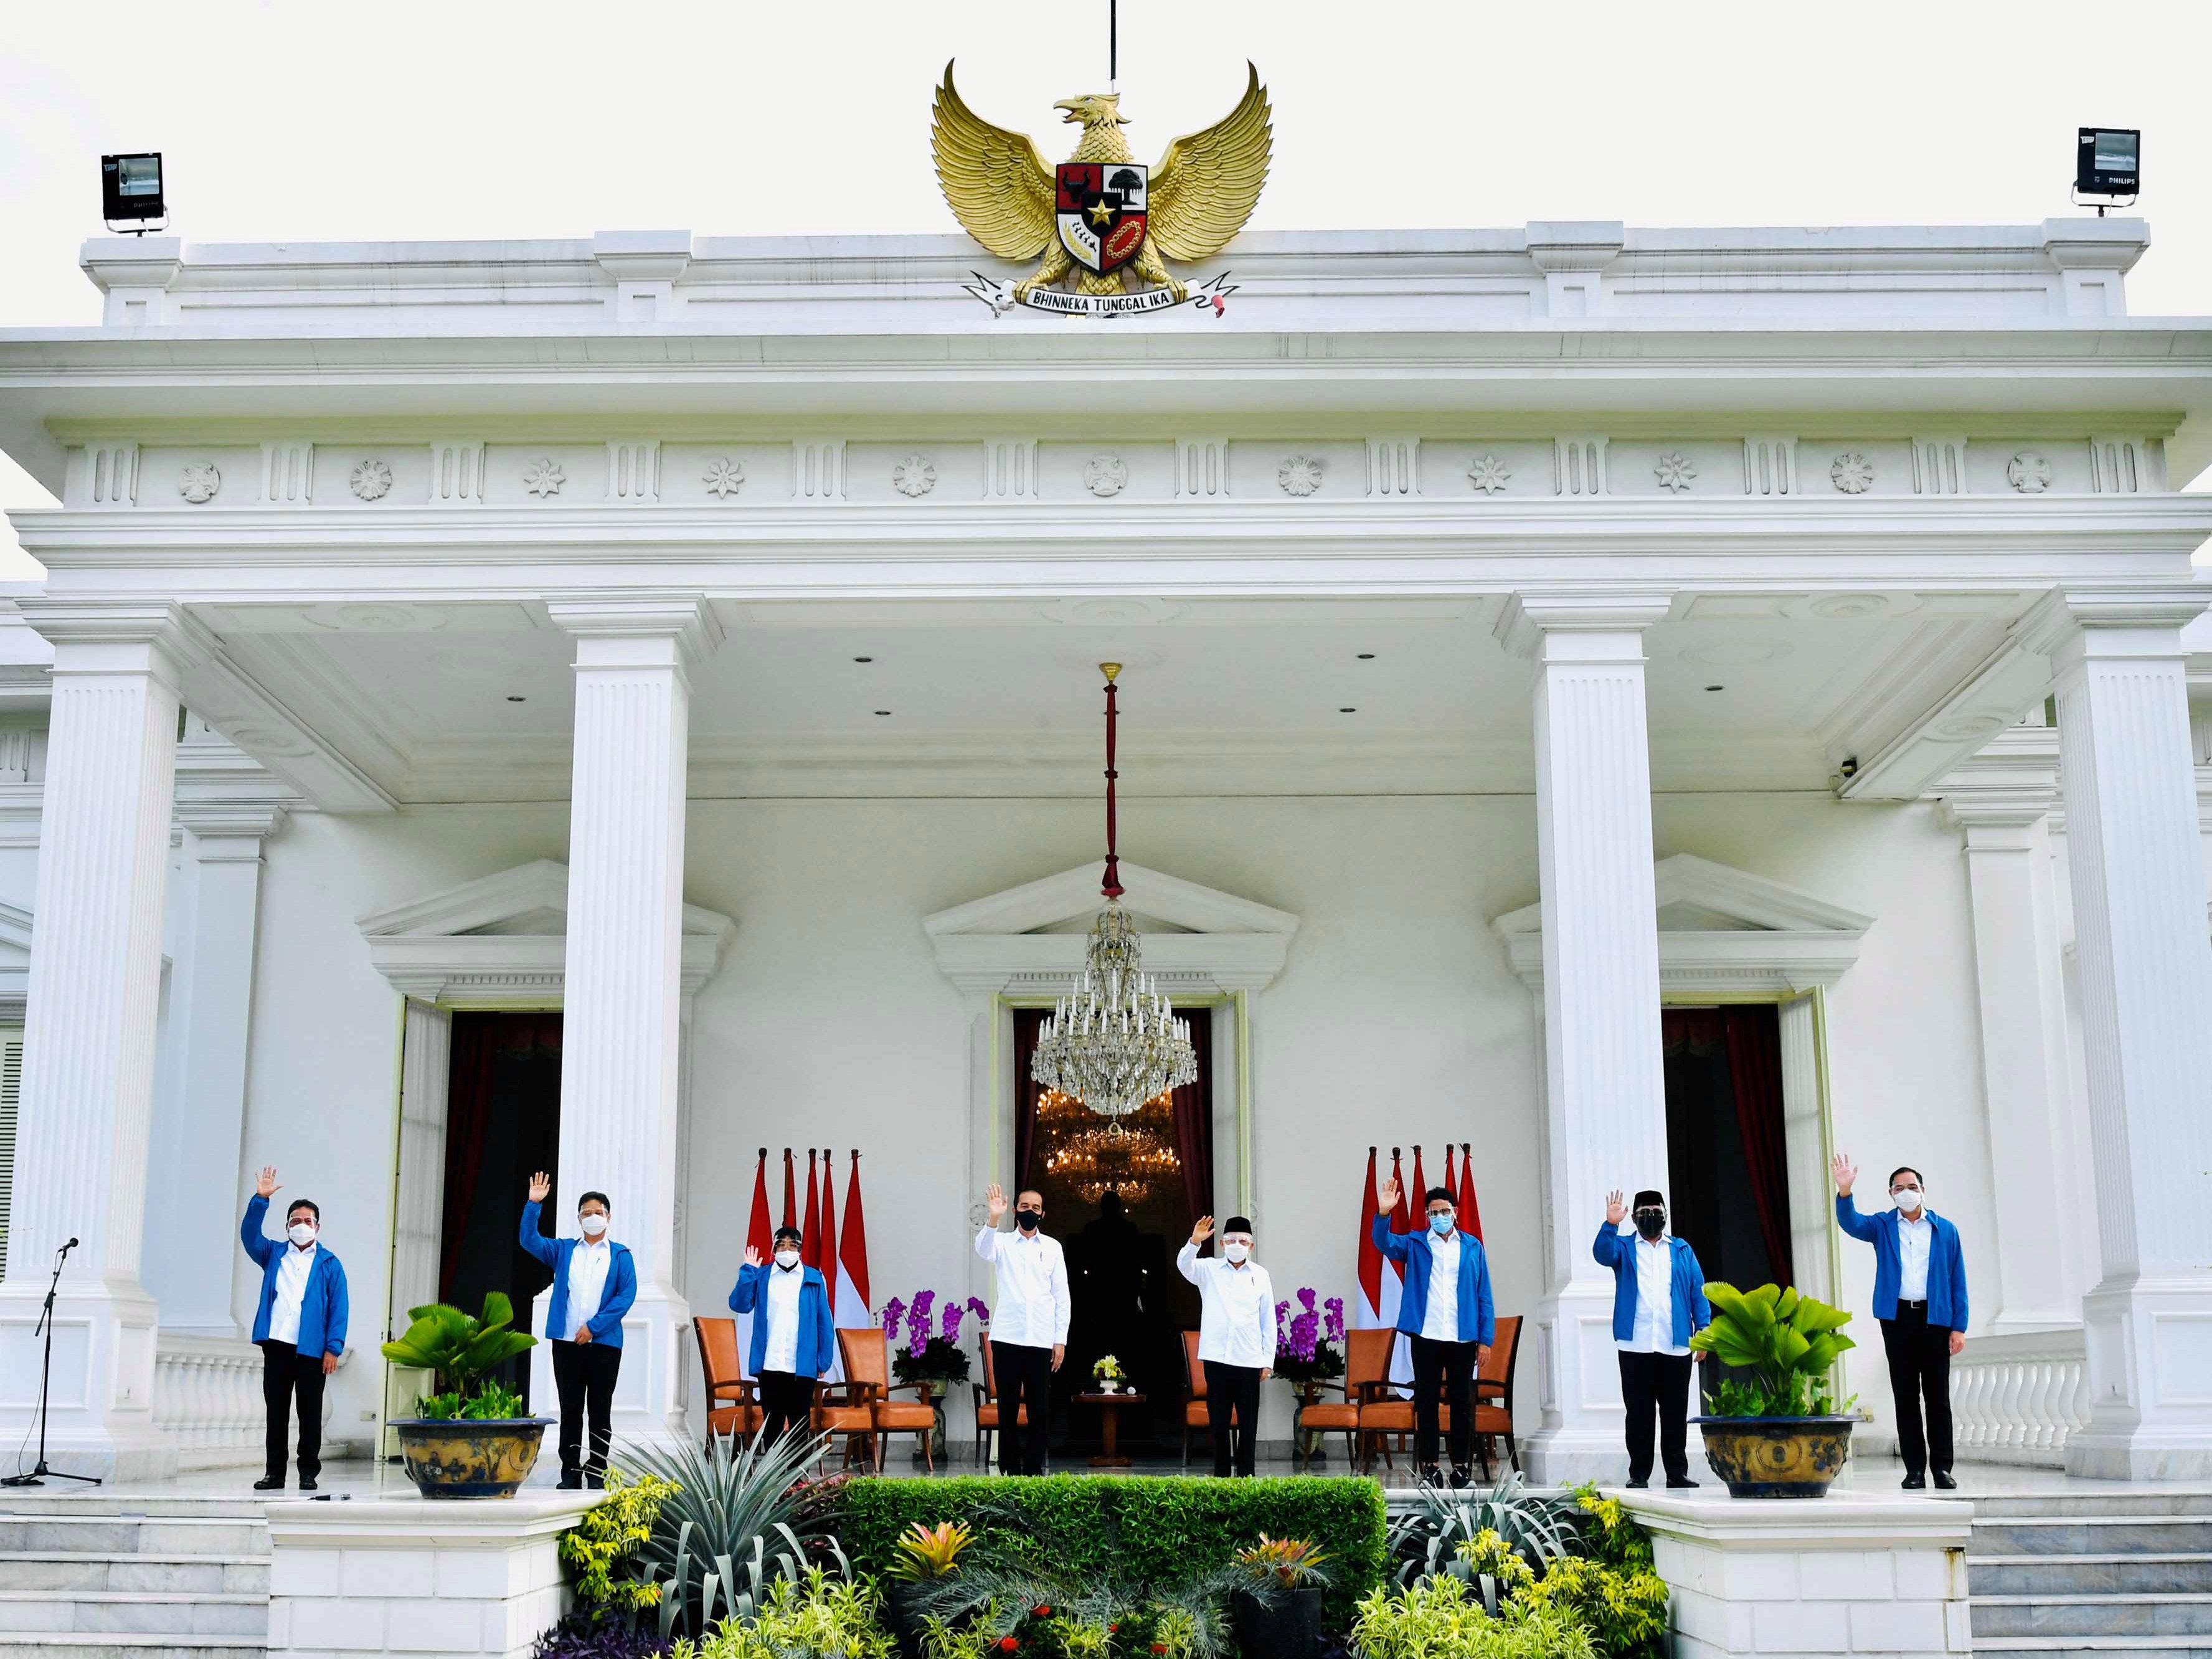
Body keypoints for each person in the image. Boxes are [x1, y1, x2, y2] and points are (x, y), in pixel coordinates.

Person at [1832, 1153, 1969, 1490]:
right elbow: (1851, 1224)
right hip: (1898, 1319)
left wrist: (1959, 1326)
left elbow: (1957, 1280)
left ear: (1923, 1190)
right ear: (1891, 1194)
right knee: (1905, 1395)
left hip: (1935, 1318)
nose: (1906, 1192)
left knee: (1937, 1397)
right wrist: (1845, 1191)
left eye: (1912, 1187)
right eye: (1899, 1188)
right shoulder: (1882, 1225)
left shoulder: (1945, 1230)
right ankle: (1915, 1470)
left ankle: (1942, 1468)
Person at [1374, 1177, 1495, 1488]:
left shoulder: (1472, 1246)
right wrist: (1384, 1214)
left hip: (1462, 1337)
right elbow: (1383, 1243)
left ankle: (1461, 1467)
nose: (1439, 1216)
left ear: (1455, 1211)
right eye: (1433, 1212)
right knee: (1426, 1402)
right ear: (1427, 1216)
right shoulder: (1415, 1243)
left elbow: (1484, 1294)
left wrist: (1486, 1339)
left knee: (1462, 1403)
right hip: (1426, 1335)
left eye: (1444, 1210)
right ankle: (1429, 1467)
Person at [519, 1172, 638, 1489]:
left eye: (598, 1212)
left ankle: (597, 1470)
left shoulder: (620, 1255)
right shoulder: (564, 1251)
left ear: (609, 1217)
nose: (593, 1218)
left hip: (604, 1345)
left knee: (600, 1411)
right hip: (567, 1343)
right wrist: (534, 1205)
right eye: (587, 1213)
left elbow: (625, 1296)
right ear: (578, 1219)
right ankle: (570, 1472)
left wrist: (593, 1328)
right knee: (571, 1410)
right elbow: (529, 1241)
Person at [240, 1166, 348, 1493]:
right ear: (287, 1225)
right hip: (277, 1345)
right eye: (296, 1221)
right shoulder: (272, 1253)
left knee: (310, 1412)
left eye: (308, 1221)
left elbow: (339, 1309)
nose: (302, 1226)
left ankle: (308, 1472)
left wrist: (333, 1347)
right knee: (276, 1412)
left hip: (312, 1349)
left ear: (318, 1226)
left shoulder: (330, 1263)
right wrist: (261, 1200)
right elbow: (249, 1236)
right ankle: (274, 1473)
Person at [1594, 1188, 1710, 1489]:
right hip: (1636, 1344)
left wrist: (1704, 1329)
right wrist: (1610, 1224)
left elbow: (1698, 1290)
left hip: (1675, 1344)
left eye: (1656, 1212)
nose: (1651, 1217)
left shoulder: (1682, 1249)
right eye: (1644, 1213)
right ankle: (1639, 1473)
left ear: (1665, 1215)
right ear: (1634, 1218)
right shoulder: (1623, 1247)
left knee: (1674, 1412)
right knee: (1639, 1413)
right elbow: (1601, 1254)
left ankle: (1677, 1473)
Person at [975, 1181, 1069, 1475]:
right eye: (1025, 1207)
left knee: (1040, 1410)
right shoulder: (1002, 1242)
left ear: (1043, 1214)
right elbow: (983, 1250)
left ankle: (1033, 1470)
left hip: (1041, 1340)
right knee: (1008, 1408)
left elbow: (1061, 1297)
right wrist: (993, 1218)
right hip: (1006, 1338)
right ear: (1015, 1210)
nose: (1030, 1212)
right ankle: (1009, 1470)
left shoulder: (1053, 1248)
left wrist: (1060, 1341)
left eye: (1036, 1208)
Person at [1176, 1214, 1276, 1477]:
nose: (1236, 1244)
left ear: (1251, 1246)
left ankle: (1247, 1475)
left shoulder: (1260, 1275)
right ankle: (1221, 1475)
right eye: (1231, 1240)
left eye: (1242, 1241)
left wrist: (1268, 1360)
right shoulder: (1208, 1270)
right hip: (1217, 1358)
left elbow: (1269, 1320)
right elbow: (1184, 1266)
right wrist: (1194, 1242)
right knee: (1218, 1421)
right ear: (1222, 1243)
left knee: (1248, 1421)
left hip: (1249, 1359)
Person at [729, 1224, 834, 1450]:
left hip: (802, 1363)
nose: (787, 1250)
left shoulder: (813, 1278)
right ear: (774, 1250)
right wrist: (748, 1271)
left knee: (800, 1424)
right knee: (773, 1423)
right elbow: (739, 1304)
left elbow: (824, 1321)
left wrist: (824, 1359)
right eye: (782, 1245)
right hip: (771, 1362)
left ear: (800, 1250)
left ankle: (798, 1480)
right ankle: (774, 1480)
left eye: (792, 1245)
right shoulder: (762, 1275)